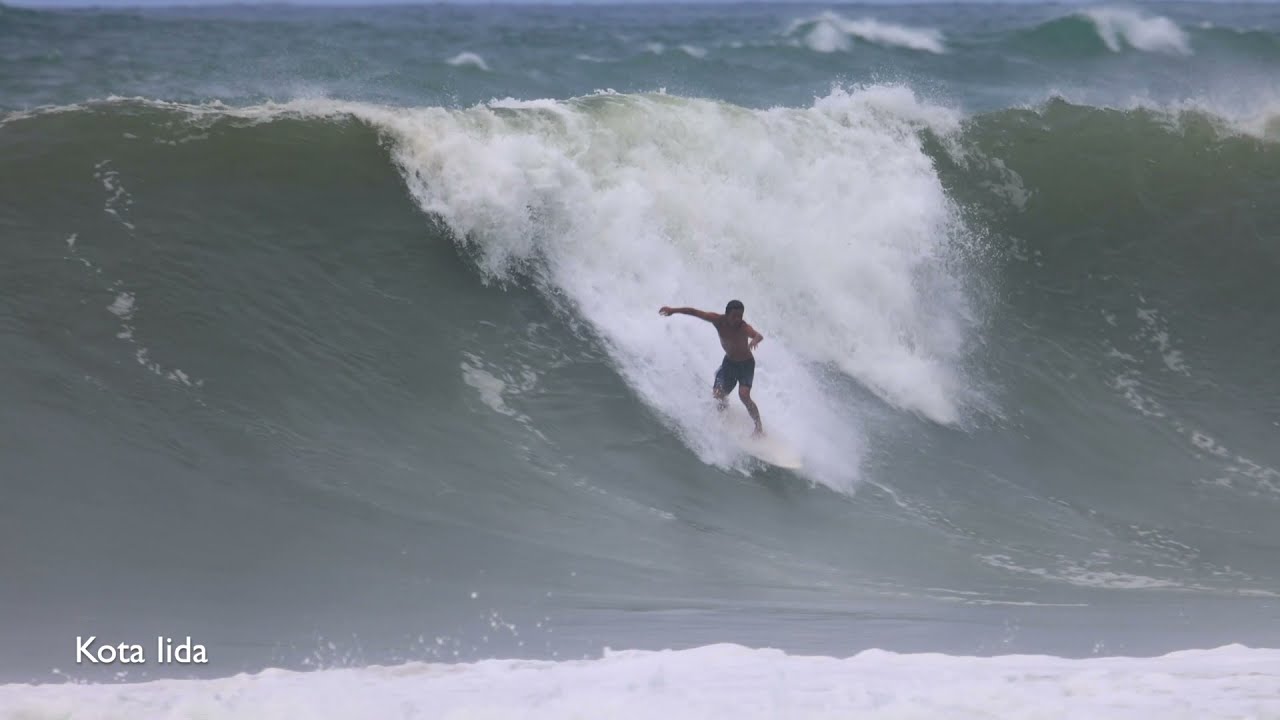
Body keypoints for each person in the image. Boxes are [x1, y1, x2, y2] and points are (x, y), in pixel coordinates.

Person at [659, 300, 765, 436]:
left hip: (746, 365)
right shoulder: (717, 320)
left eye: (740, 316)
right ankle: (724, 413)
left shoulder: (743, 327)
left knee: (744, 395)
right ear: (727, 314)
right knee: (718, 395)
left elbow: (758, 335)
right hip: (729, 364)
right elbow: (694, 312)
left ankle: (758, 427)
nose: (737, 319)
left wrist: (755, 340)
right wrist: (673, 310)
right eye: (734, 316)